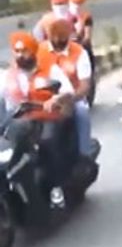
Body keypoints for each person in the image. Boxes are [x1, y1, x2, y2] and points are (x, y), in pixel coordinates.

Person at [0, 32, 75, 208]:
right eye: (16, 51)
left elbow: (68, 91)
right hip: (19, 121)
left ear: (33, 51)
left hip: (46, 118)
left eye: (24, 51)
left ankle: (56, 188)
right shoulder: (8, 75)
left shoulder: (50, 69)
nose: (20, 55)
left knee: (47, 143)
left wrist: (55, 99)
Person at [37, 19, 93, 164]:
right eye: (54, 37)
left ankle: (85, 155)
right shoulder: (39, 51)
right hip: (42, 98)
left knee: (82, 112)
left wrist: (69, 99)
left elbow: (85, 85)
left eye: (61, 37)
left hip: (73, 98)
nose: (57, 41)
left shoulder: (79, 52)